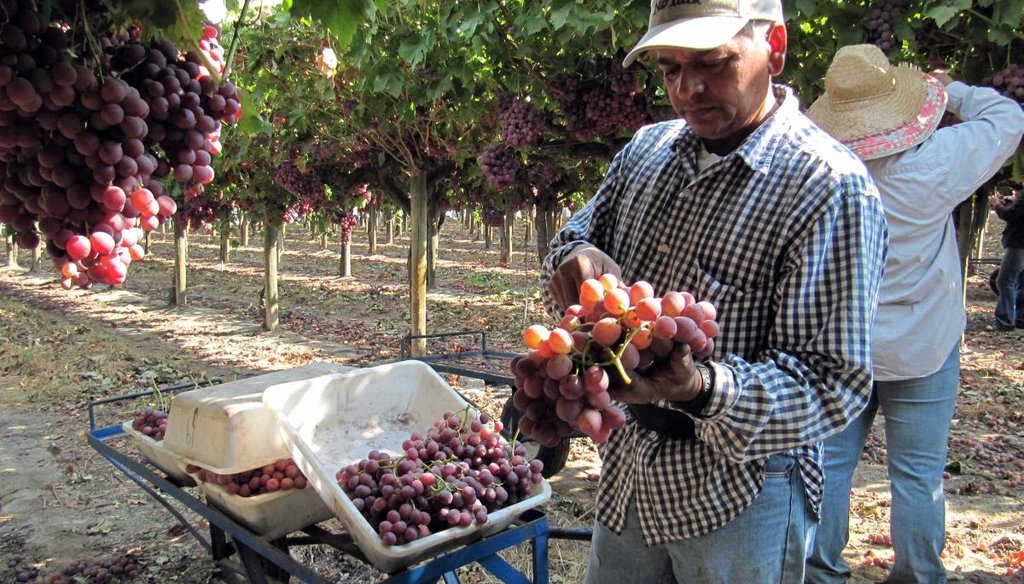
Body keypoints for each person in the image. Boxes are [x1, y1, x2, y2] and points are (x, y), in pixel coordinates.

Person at [540, 2, 889, 582]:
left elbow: (833, 385)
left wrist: (701, 388)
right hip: (628, 474)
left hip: (742, 496)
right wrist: (573, 259)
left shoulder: (829, 188)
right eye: (671, 70)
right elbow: (573, 235)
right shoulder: (646, 152)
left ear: (774, 47)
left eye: (714, 63)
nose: (688, 89)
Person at [803, 45, 1024, 583]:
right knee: (918, 475)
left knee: (829, 469)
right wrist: (955, 90)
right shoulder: (936, 163)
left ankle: (820, 574)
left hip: (841, 346)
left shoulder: (817, 172)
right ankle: (920, 576)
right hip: (924, 342)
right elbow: (1009, 117)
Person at [992, 181, 1024, 331]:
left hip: (1019, 243)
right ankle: (1020, 317)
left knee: (1004, 280)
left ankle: (1005, 321)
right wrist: (1013, 200)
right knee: (1021, 281)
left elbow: (1010, 215)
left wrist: (997, 205)